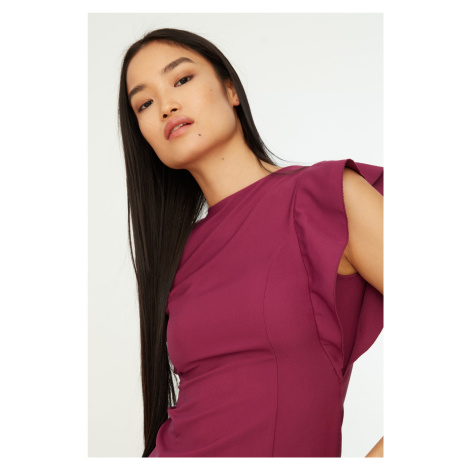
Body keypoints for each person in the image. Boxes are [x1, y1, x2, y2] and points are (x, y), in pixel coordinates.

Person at [118, 28, 383, 458]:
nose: (166, 106)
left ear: (230, 90)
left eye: (181, 79)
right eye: (144, 104)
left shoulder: (326, 196)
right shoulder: (179, 258)